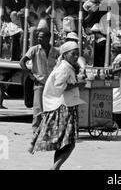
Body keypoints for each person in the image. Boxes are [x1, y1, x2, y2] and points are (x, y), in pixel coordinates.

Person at [29, 41, 84, 170]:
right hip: (63, 107)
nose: (76, 57)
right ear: (65, 55)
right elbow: (60, 87)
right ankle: (55, 168)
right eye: (73, 54)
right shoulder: (64, 68)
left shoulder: (66, 66)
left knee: (63, 143)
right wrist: (78, 84)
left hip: (64, 105)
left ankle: (55, 168)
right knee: (69, 143)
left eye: (77, 54)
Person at [20, 31, 61, 132]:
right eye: (38, 37)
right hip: (39, 82)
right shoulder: (34, 49)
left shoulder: (55, 51)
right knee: (38, 108)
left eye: (41, 37)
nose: (39, 39)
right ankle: (36, 130)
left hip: (51, 84)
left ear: (48, 38)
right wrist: (31, 76)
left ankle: (49, 129)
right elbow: (22, 62)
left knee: (51, 107)